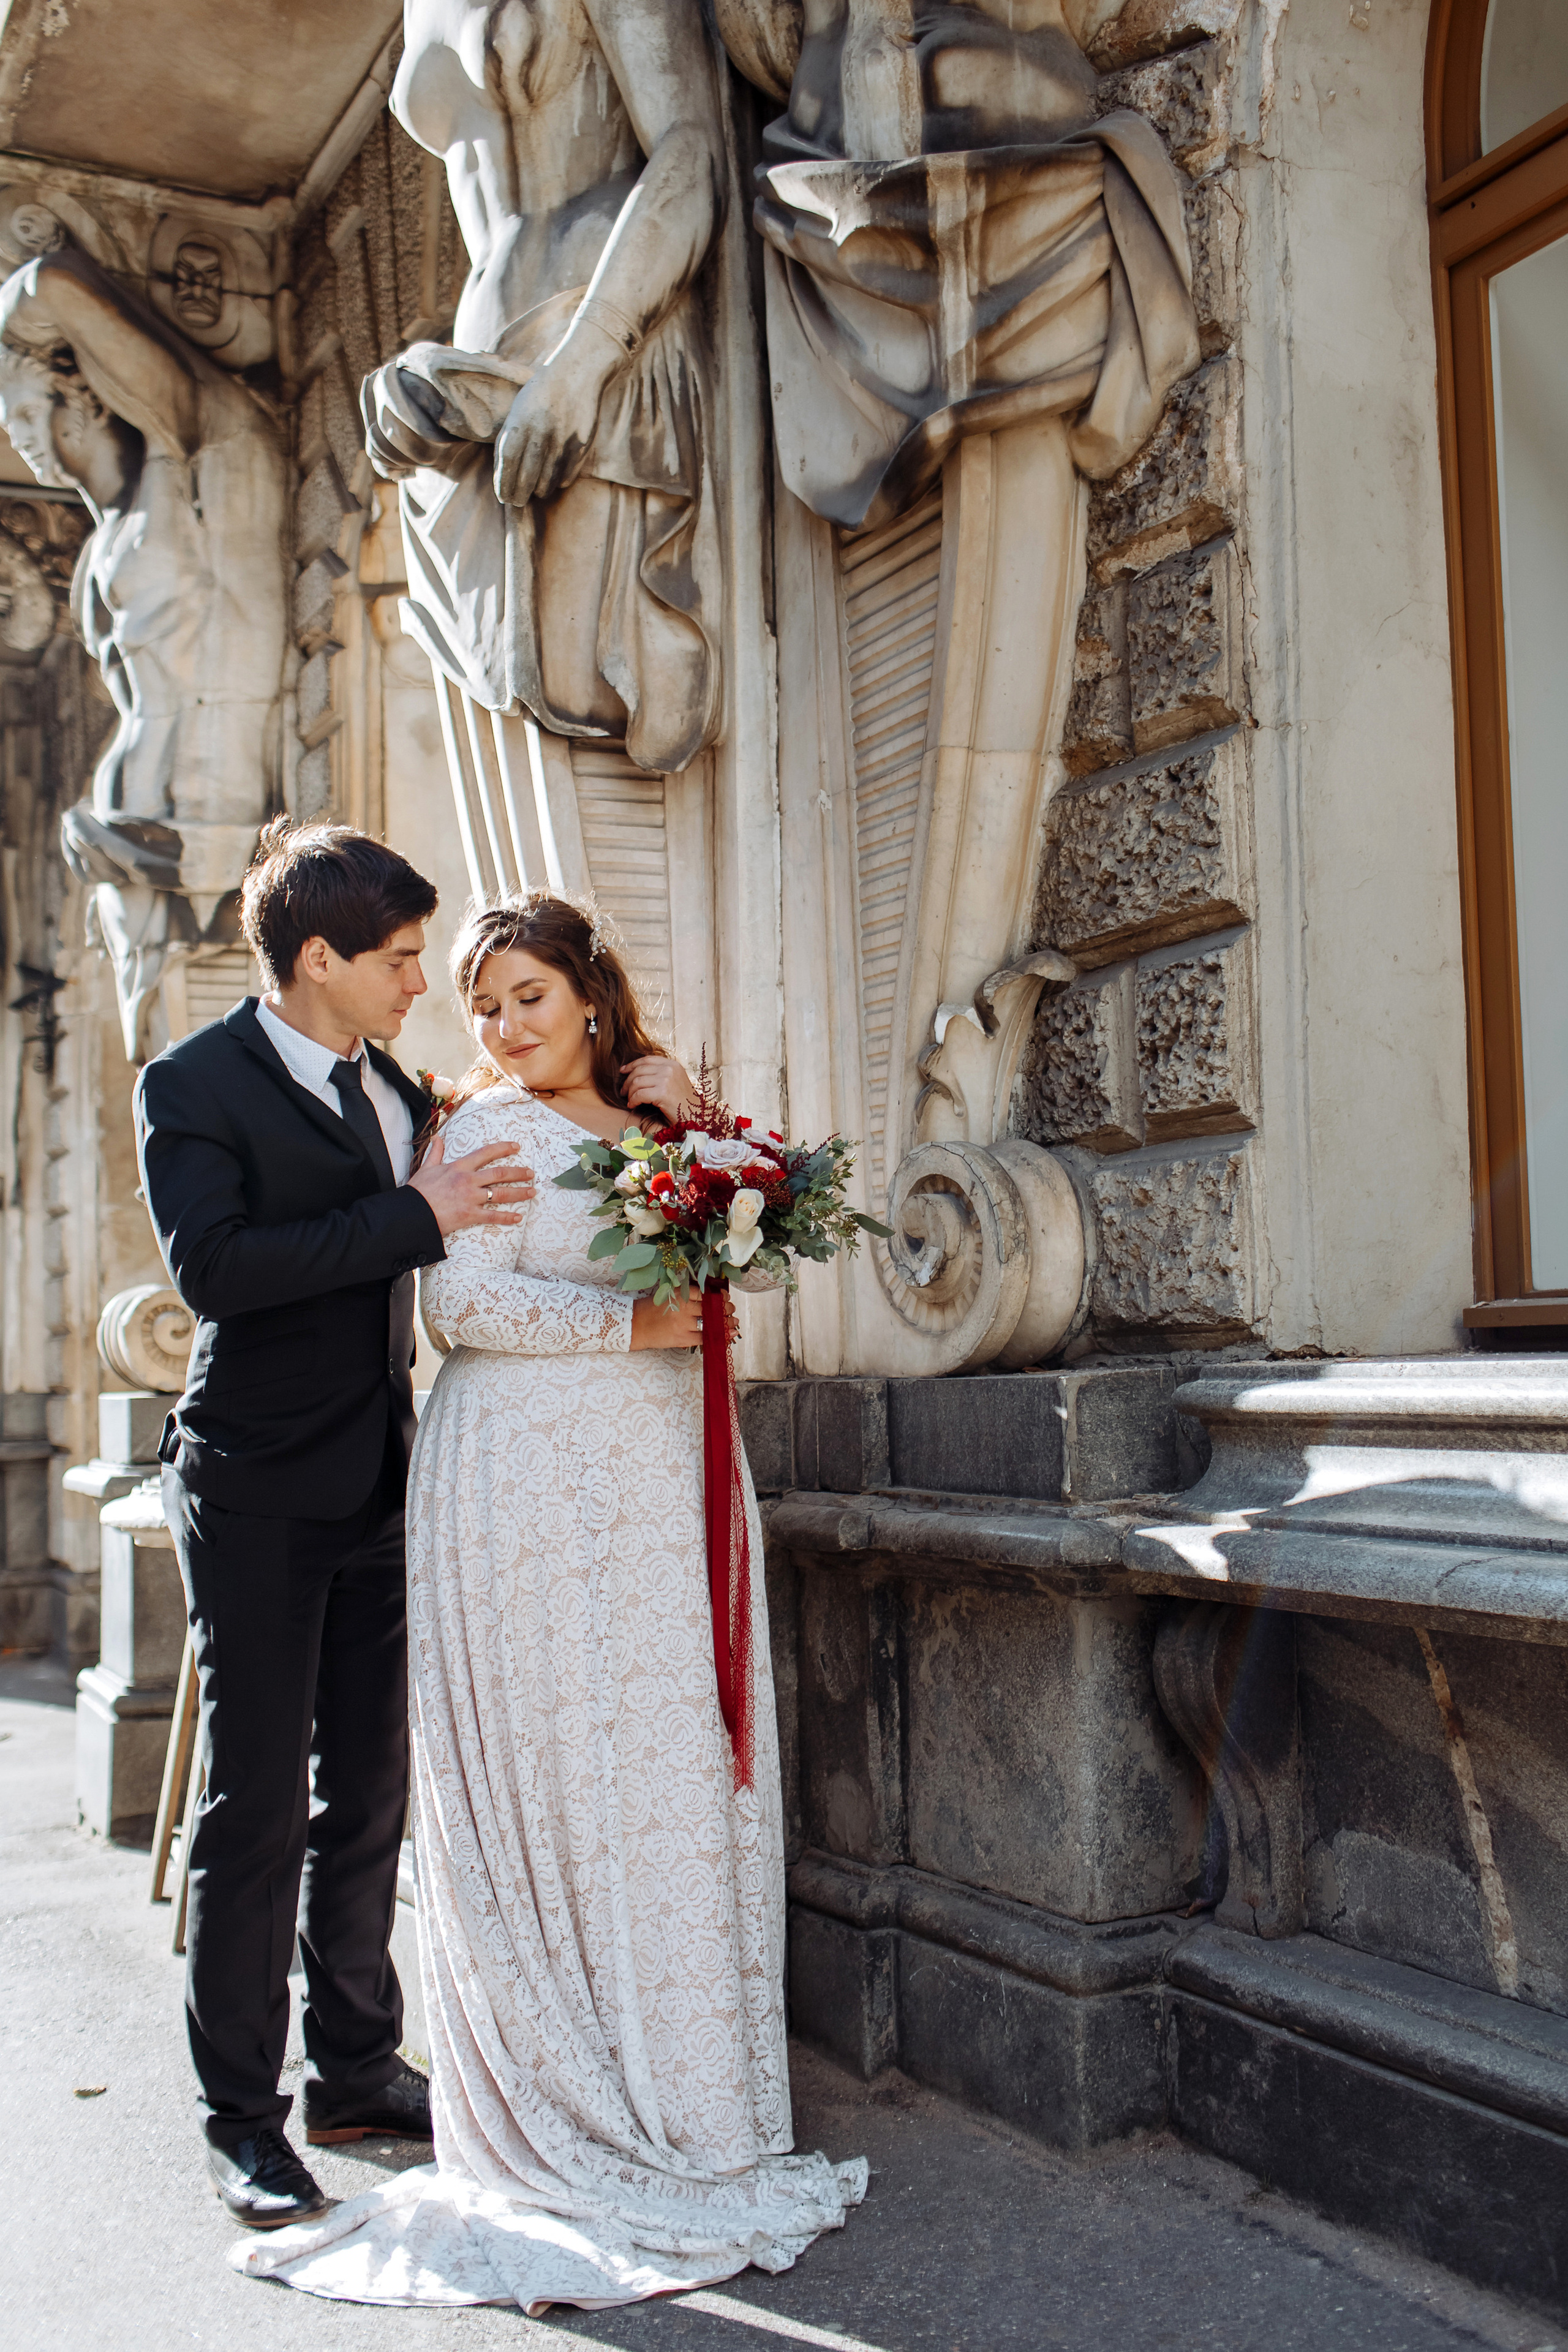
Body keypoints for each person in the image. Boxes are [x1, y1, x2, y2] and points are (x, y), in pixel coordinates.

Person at [232, 892, 865, 2311]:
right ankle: (568, 2097)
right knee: (569, 1773)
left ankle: (697, 2111)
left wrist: (698, 1124)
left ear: (590, 992)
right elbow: (457, 1312)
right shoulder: (480, 1135)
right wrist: (620, 1322)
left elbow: (742, 1251)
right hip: (529, 1488)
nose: (506, 1025)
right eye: (483, 1002)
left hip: (665, 1479)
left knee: (671, 1774)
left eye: (529, 994)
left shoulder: (657, 1132)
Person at [134, 821, 535, 2230]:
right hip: (248, 1483)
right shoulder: (191, 1085)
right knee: (253, 1809)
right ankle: (238, 2118)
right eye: (401, 958)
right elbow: (220, 1271)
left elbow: (520, 1118)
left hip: (379, 1476)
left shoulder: (395, 1083)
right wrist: (413, 1217)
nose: (419, 980)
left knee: (366, 1793)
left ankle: (356, 2067)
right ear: (319, 959)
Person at [361, 0, 727, 774]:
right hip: (482, 388)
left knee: (600, 708)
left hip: (601, 347)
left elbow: (692, 155)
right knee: (523, 733)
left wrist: (585, 361)